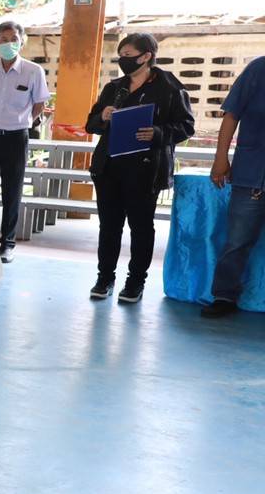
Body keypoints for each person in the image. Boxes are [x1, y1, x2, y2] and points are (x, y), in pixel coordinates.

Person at [85, 32, 195, 303]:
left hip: (145, 170)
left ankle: (135, 281)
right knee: (109, 226)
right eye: (121, 56)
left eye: (129, 56)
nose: (124, 61)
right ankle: (104, 276)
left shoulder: (169, 88)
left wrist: (158, 133)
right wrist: (103, 116)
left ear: (146, 57)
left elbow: (186, 126)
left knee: (141, 227)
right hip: (110, 167)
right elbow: (91, 124)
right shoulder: (115, 88)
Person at [0, 20, 48, 264]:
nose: (8, 44)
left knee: (12, 191)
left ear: (21, 41)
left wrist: (24, 120)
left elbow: (40, 103)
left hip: (16, 136)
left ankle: (8, 243)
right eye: (3, 40)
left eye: (13, 39)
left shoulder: (33, 71)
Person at [205, 55, 265, 317]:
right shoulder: (258, 69)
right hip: (252, 173)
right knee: (237, 241)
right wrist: (221, 159)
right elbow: (231, 116)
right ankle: (224, 296)